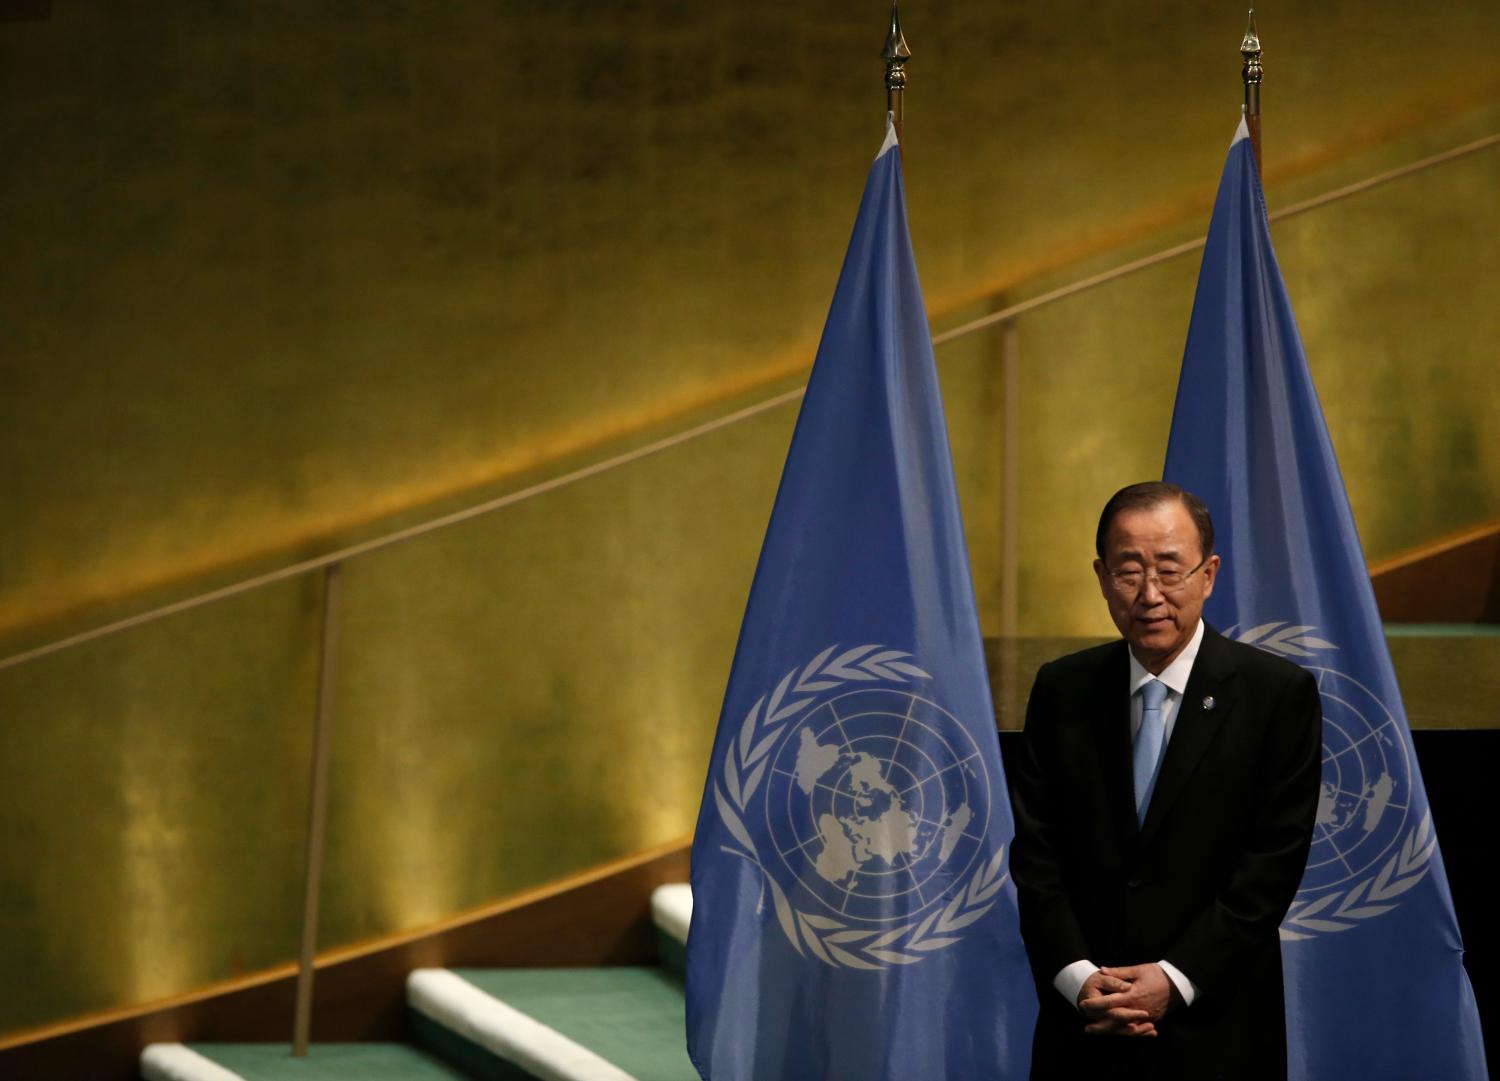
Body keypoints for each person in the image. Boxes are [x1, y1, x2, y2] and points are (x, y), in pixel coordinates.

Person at [1008, 481, 1322, 1081]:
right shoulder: (1062, 690)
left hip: (1215, 1028)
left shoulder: (1275, 695)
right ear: (1102, 578)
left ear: (1208, 573)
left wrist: (1173, 979)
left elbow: (1271, 867)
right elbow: (1036, 857)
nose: (1149, 595)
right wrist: (1080, 979)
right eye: (1128, 572)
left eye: (1170, 570)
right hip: (1086, 1026)